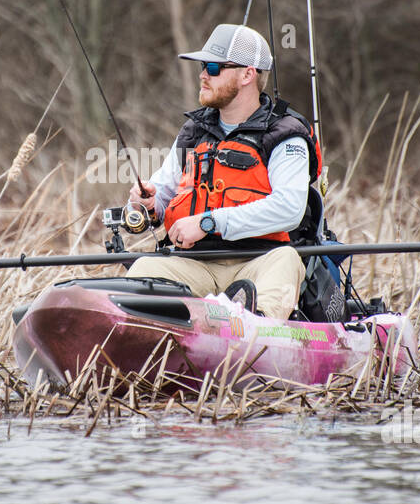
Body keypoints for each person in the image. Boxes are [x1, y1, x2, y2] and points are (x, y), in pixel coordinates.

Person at [125, 23, 320, 319]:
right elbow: (162, 195)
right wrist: (148, 205)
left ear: (247, 74)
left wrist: (207, 222)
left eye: (214, 67)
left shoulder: (286, 135)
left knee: (286, 260)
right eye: (203, 66)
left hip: (259, 261)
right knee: (144, 269)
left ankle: (255, 326)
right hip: (194, 264)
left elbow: (290, 209)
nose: (203, 75)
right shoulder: (193, 133)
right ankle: (161, 330)